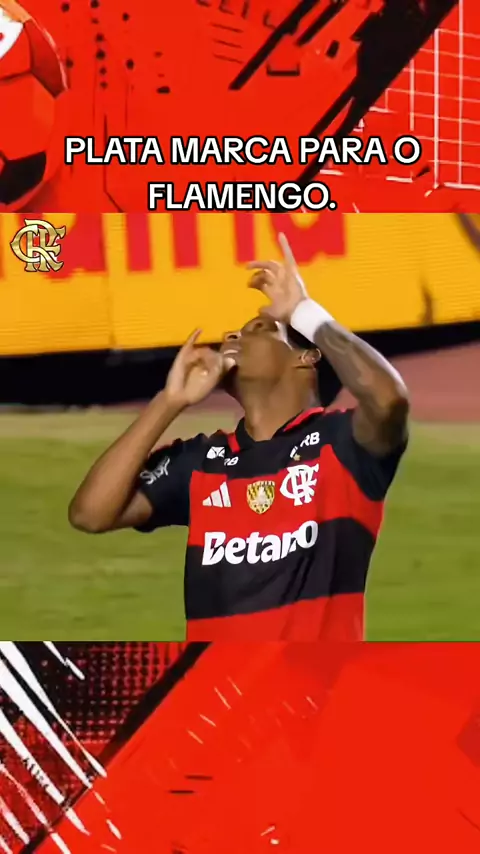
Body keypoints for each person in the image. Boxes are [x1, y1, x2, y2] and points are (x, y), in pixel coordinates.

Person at [69, 234, 409, 640]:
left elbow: (389, 399)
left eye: (259, 328)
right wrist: (169, 402)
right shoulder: (200, 461)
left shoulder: (341, 444)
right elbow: (90, 514)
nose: (233, 336)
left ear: (306, 358)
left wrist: (303, 312)